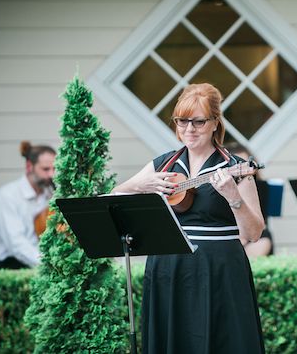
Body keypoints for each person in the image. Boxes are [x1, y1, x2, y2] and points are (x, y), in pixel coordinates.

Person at [112, 83, 265, 353]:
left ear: (215, 123)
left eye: (198, 121)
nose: (189, 129)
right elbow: (115, 195)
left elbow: (254, 233)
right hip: (167, 269)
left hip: (218, 269)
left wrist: (233, 197)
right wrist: (141, 185)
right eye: (182, 121)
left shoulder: (234, 168)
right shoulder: (163, 164)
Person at [0, 141, 56, 270]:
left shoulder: (48, 194)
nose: (51, 174)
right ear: (29, 166)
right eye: (46, 169)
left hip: (35, 262)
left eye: (54, 168)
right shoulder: (7, 196)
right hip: (7, 266)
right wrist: (49, 265)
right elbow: (16, 244)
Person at [225, 142, 274, 258]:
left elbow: (261, 223)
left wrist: (246, 239)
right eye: (238, 165)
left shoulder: (260, 186)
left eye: (245, 164)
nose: (244, 169)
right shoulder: (220, 187)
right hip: (230, 234)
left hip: (254, 234)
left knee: (263, 243)